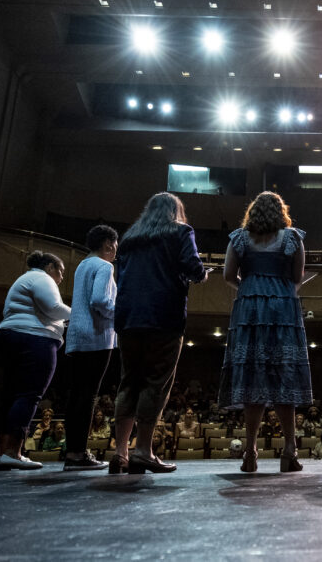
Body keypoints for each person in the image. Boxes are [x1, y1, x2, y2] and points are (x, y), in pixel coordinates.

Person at [110, 193, 208, 475]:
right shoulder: (180, 231)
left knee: (128, 381)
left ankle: (120, 453)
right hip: (163, 315)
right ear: (175, 211)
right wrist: (202, 275)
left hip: (128, 316)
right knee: (155, 382)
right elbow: (193, 267)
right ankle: (143, 451)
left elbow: (121, 276)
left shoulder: (129, 237)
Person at [219, 191, 312, 474]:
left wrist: (249, 288)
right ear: (280, 212)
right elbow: (297, 277)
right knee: (284, 375)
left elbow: (227, 275)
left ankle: (250, 452)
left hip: (249, 309)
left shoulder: (239, 238)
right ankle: (289, 451)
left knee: (252, 376)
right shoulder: (293, 238)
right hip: (283, 307)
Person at [0, 250, 71, 470]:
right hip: (34, 339)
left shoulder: (24, 279)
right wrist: (78, 313)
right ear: (51, 267)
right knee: (29, 394)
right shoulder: (42, 278)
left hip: (10, 335)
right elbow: (53, 308)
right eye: (60, 272)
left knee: (10, 394)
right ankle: (12, 452)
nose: (61, 278)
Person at [63, 224, 119, 471]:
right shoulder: (105, 265)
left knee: (76, 395)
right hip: (96, 336)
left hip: (77, 336)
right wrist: (120, 312)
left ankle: (73, 451)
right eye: (115, 245)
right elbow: (100, 300)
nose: (116, 250)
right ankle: (78, 454)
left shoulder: (83, 265)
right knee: (88, 397)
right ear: (108, 243)